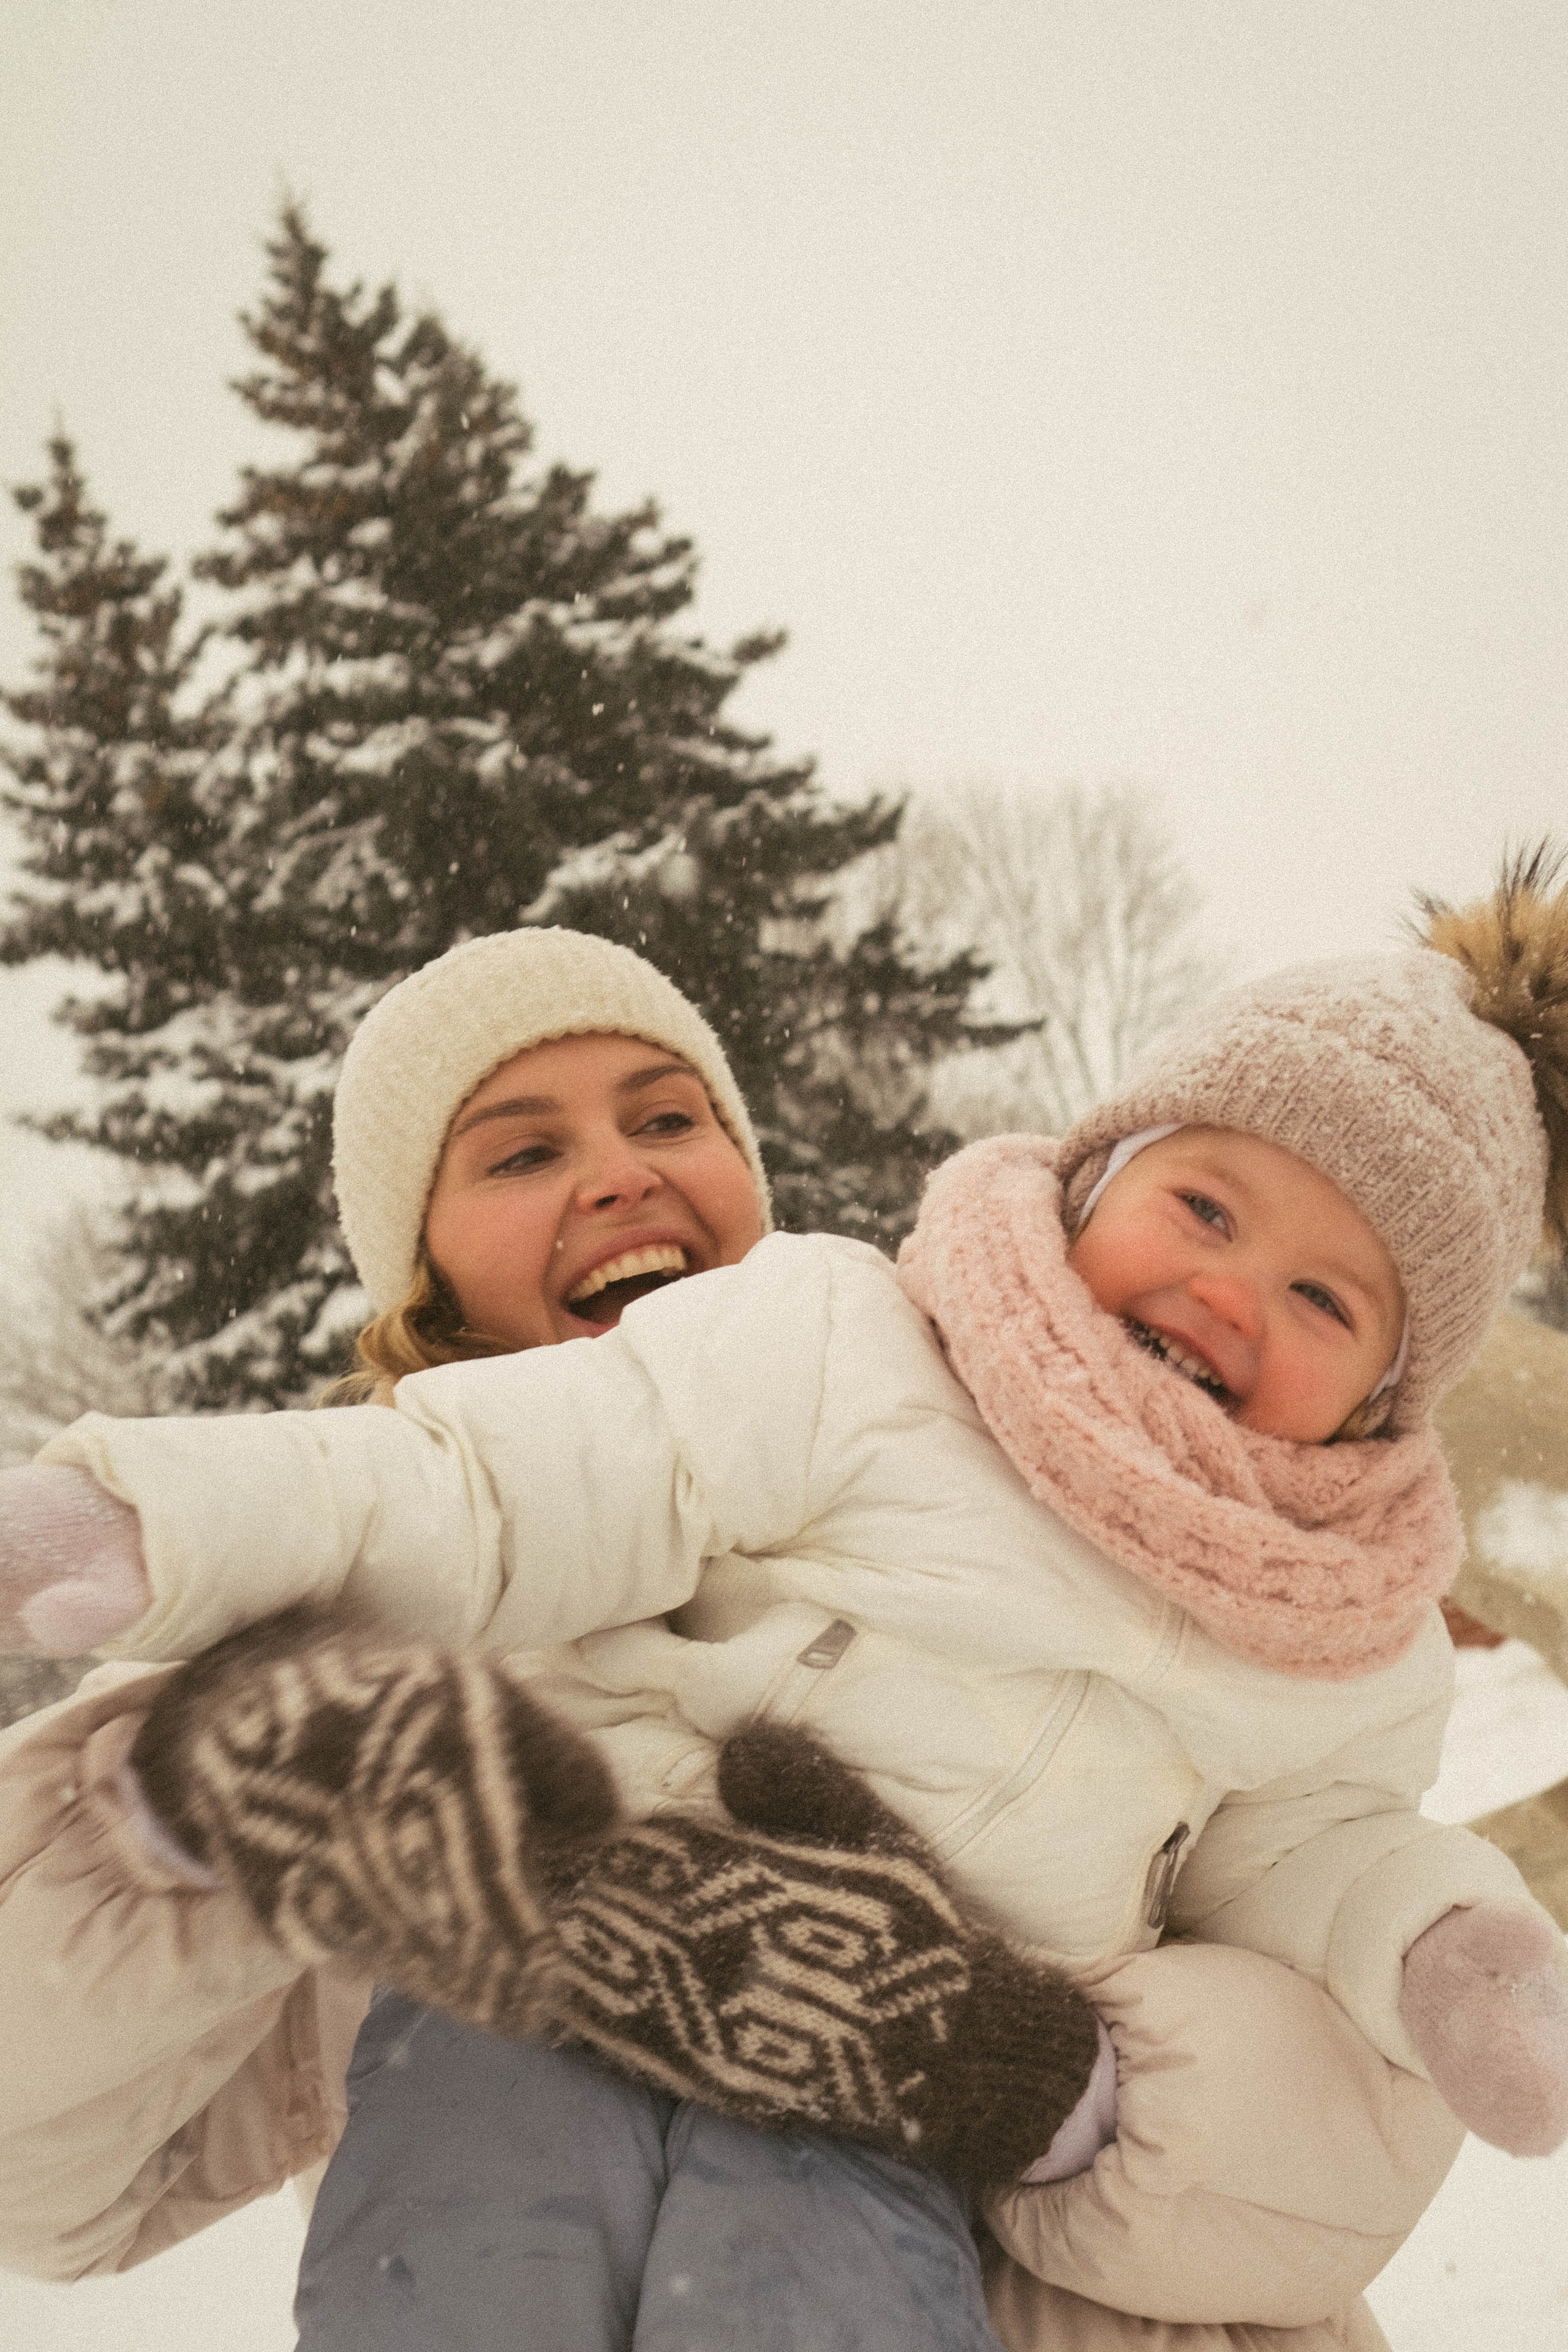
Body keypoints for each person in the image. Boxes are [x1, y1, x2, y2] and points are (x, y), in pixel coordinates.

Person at [0, 897, 1556, 2349]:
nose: (1231, 1293)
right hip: (523, 2007)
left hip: (894, 2132)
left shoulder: (1314, 1610)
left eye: (666, 1117)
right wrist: (160, 1621)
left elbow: (1315, 1910)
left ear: (1378, 1402)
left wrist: (1045, 2074)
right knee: (480, 2222)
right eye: (520, 1152)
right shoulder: (778, 1383)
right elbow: (472, 1481)